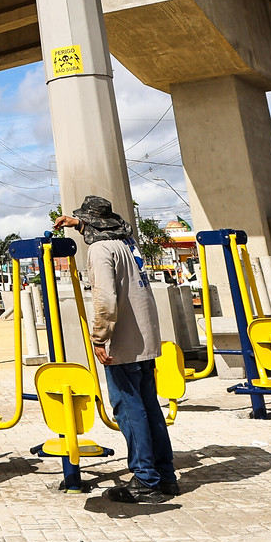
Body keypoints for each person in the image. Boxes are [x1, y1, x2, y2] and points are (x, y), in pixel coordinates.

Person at [52, 197, 180, 504]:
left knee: (129, 409)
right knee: (150, 408)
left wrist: (100, 338)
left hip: (121, 342)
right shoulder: (128, 245)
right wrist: (77, 222)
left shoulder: (100, 250)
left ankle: (145, 481)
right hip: (146, 341)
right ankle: (165, 476)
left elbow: (106, 299)